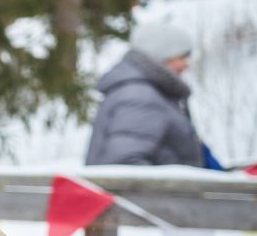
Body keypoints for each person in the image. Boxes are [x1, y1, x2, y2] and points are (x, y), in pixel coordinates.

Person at [85, 21, 215, 166]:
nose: (186, 64)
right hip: (160, 189)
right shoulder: (139, 97)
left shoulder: (153, 93)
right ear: (162, 55)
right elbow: (124, 164)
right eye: (181, 57)